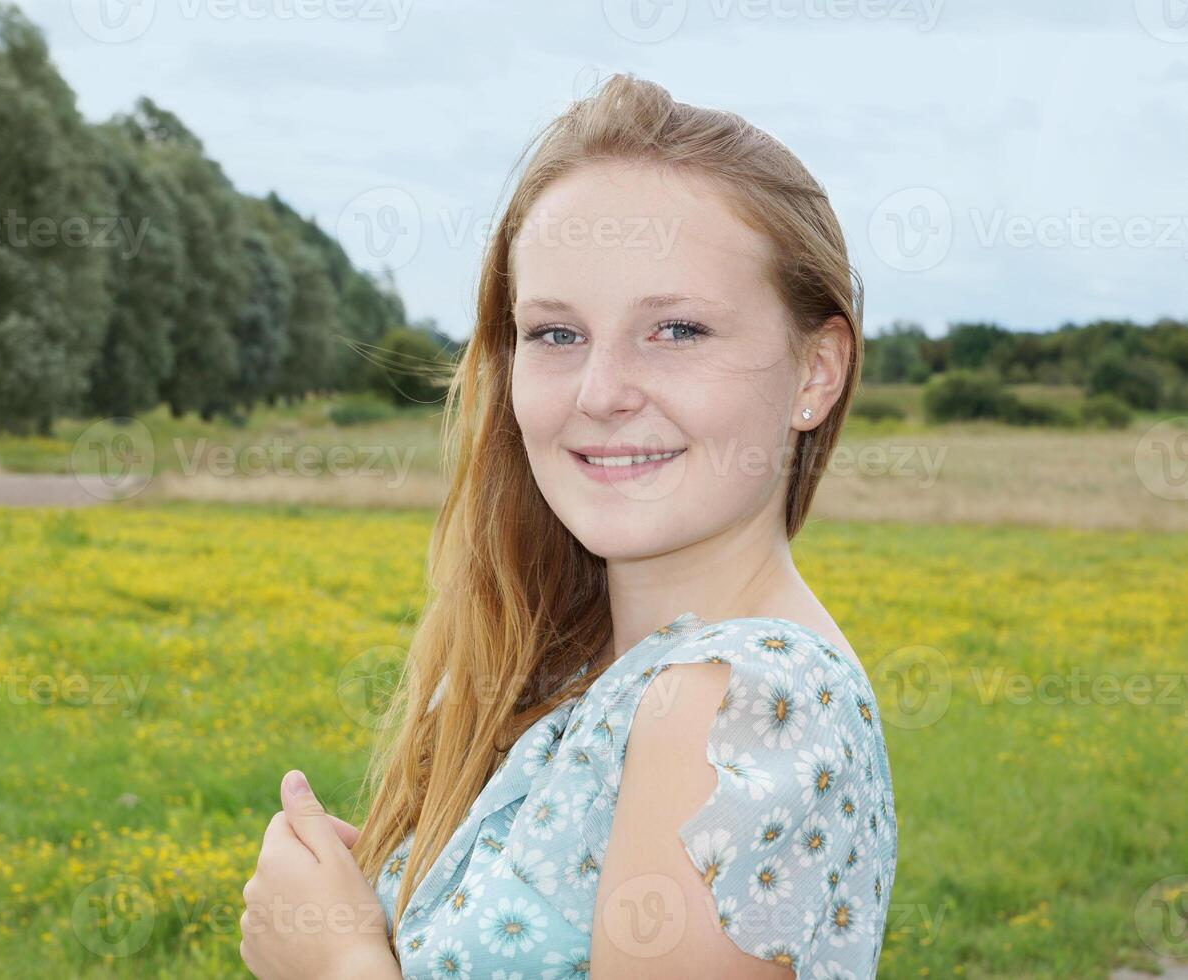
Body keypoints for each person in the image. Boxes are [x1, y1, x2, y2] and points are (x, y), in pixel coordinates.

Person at [240, 71, 897, 980]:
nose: (599, 394)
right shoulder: (578, 668)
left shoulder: (736, 703)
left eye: (675, 329)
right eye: (556, 335)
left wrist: (336, 962)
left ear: (815, 372)